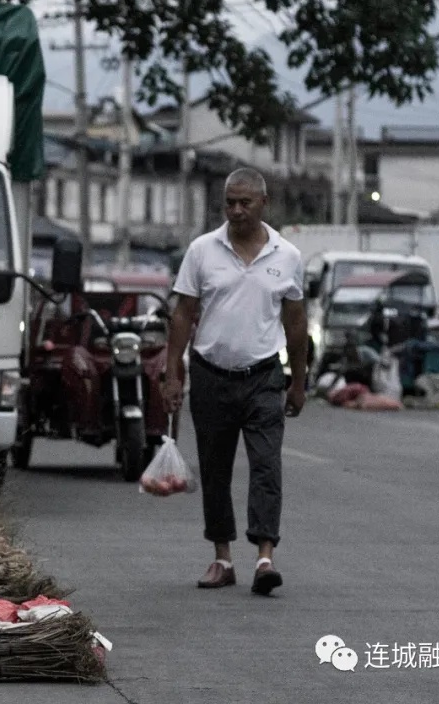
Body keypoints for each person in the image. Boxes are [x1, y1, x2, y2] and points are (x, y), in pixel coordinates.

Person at [162, 167, 308, 596]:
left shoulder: (287, 256)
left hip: (263, 376)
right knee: (215, 469)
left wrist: (298, 381)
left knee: (266, 466)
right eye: (230, 202)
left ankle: (265, 557)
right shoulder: (202, 251)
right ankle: (222, 559)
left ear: (264, 204)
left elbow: (296, 323)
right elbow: (183, 314)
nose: (237, 210)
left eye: (245, 203)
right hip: (211, 375)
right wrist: (173, 372)